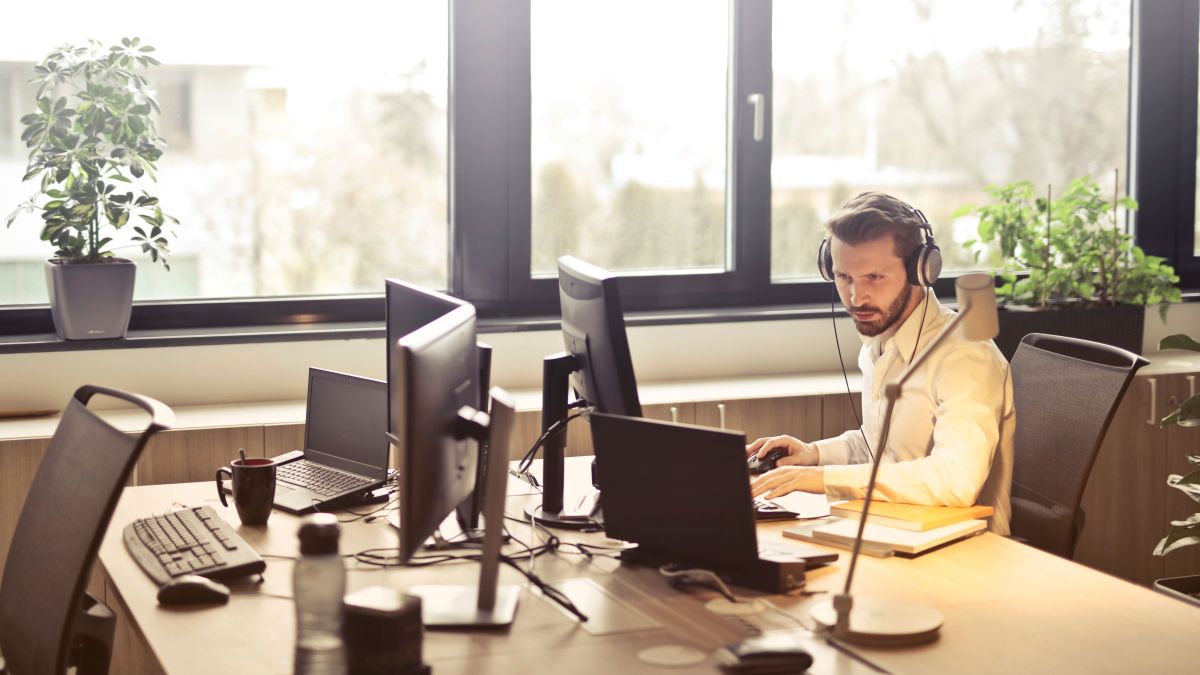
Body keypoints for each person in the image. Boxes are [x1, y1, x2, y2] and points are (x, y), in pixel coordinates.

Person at [748, 192, 1014, 534]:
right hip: (893, 529)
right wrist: (814, 454)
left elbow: (956, 480)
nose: (857, 298)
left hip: (965, 551)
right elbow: (881, 448)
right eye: (844, 278)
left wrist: (823, 478)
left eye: (874, 277)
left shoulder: (966, 357)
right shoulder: (880, 342)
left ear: (921, 270)